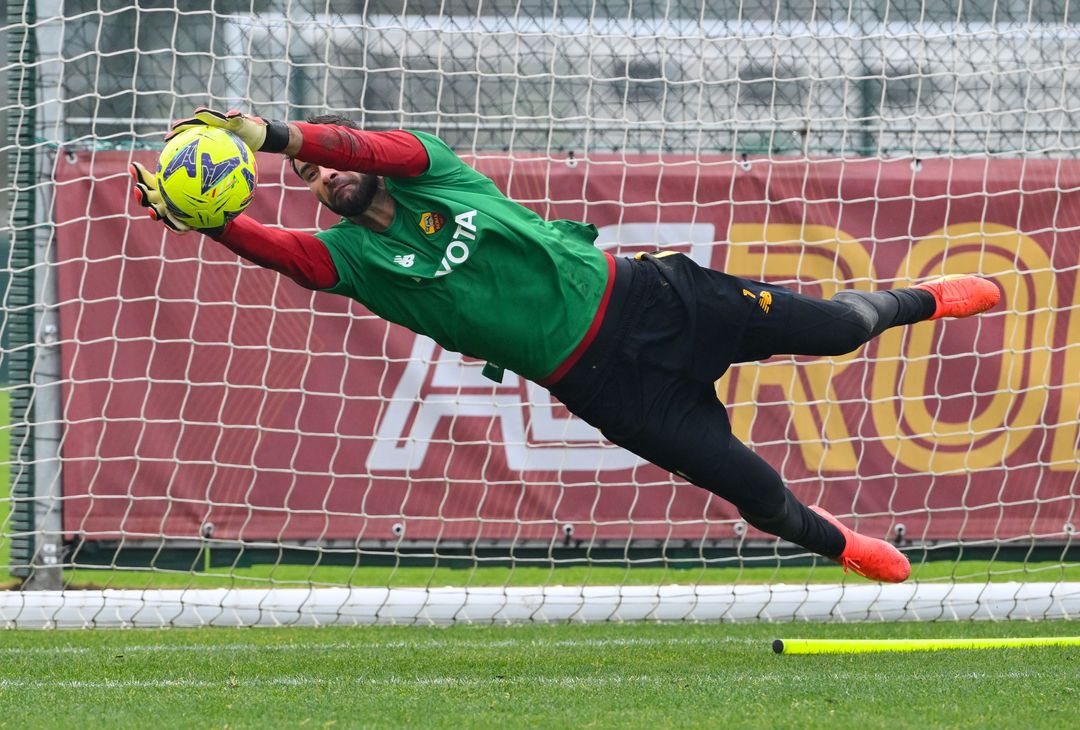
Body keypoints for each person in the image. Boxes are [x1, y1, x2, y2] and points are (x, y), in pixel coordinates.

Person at [129, 108, 1002, 583]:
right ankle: (843, 549)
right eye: (311, 179)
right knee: (753, 489)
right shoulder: (352, 262)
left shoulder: (429, 167)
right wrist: (206, 219)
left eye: (328, 163)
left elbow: (360, 140)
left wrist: (273, 136)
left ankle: (927, 297)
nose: (326, 175)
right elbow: (277, 252)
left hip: (657, 298)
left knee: (841, 330)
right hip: (604, 385)